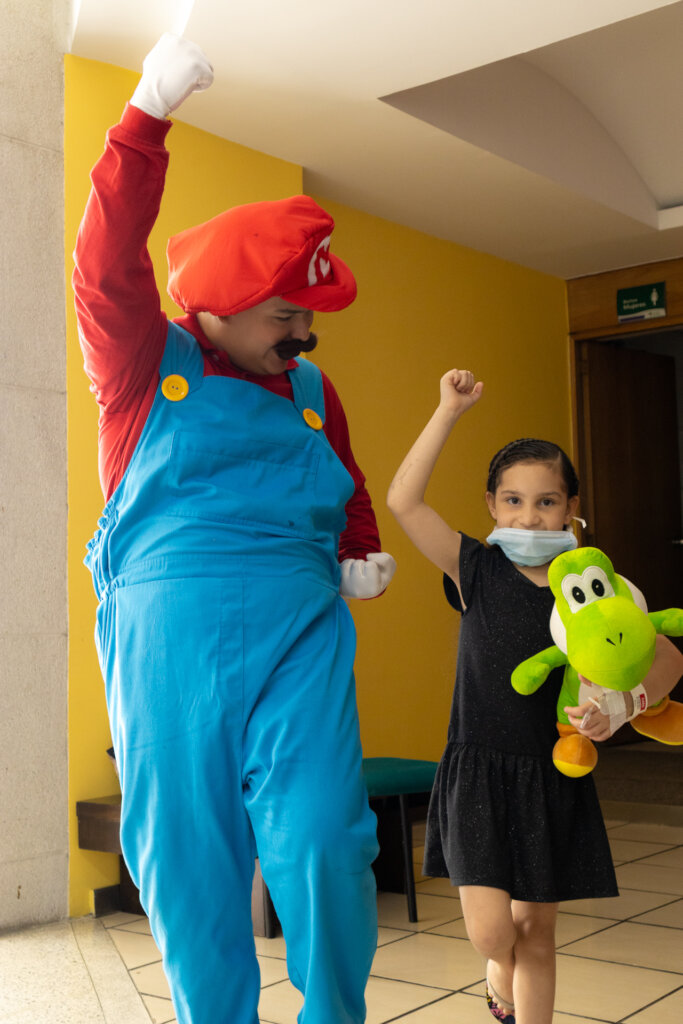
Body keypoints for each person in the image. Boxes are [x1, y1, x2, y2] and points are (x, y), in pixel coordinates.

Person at [73, 34, 396, 1024]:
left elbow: (344, 480)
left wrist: (357, 544)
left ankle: (332, 1012)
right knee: (187, 859)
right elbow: (104, 263)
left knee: (326, 840)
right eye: (286, 313)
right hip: (169, 645)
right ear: (222, 302)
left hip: (300, 633)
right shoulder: (142, 365)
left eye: (310, 315)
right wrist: (144, 119)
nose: (304, 333)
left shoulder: (312, 388)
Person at [387, 368, 683, 1024]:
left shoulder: (593, 586)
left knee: (539, 934)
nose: (529, 515)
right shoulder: (473, 568)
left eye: (546, 501)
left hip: (549, 776)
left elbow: (667, 659)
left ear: (571, 506)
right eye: (513, 500)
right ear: (491, 505)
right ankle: (498, 980)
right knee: (494, 935)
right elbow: (404, 501)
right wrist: (447, 411)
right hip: (478, 773)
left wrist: (620, 710)